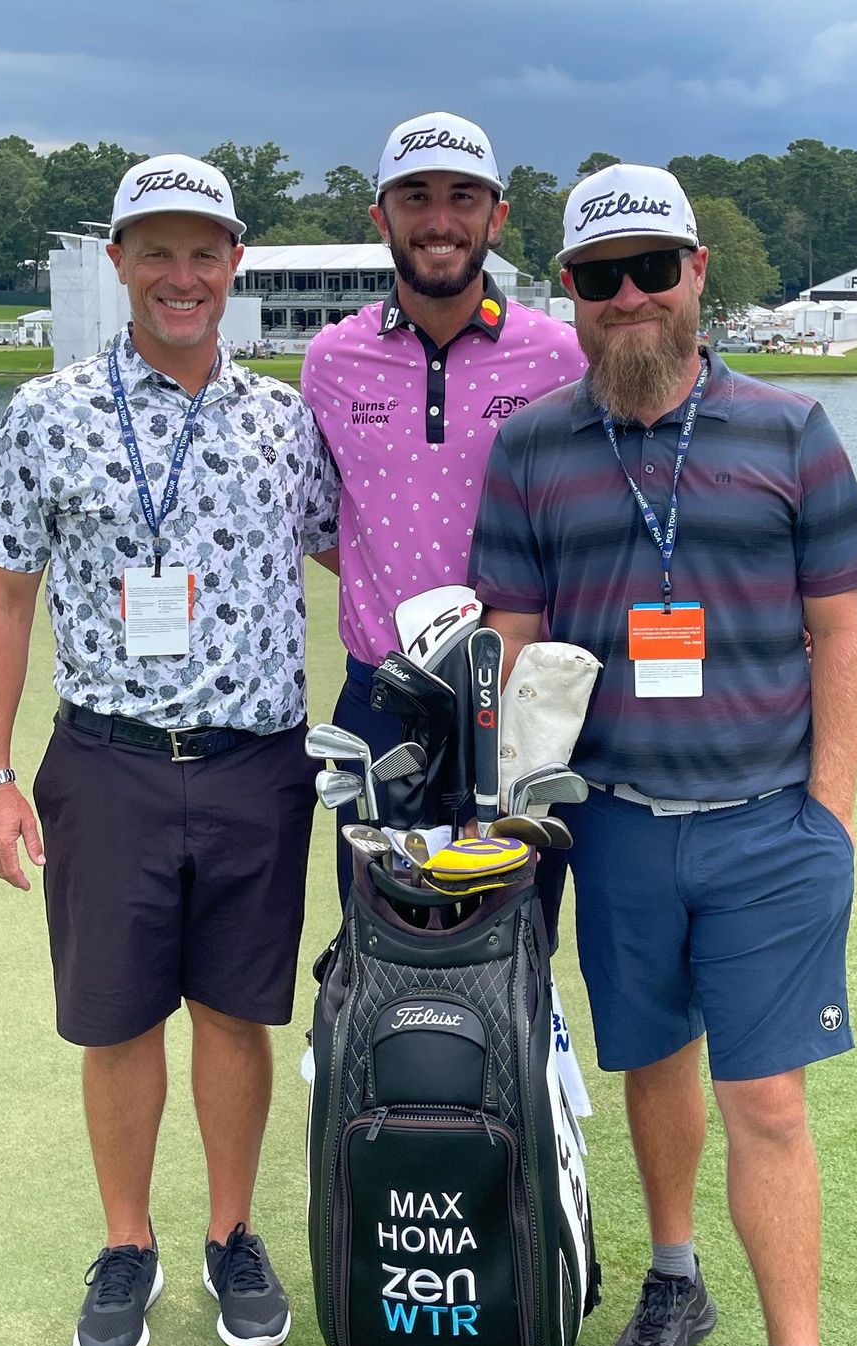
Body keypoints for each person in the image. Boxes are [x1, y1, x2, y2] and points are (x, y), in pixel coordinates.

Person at [469, 163, 857, 1346]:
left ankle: (796, 1339)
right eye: (602, 278)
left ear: (697, 271)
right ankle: (674, 1273)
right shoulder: (534, 447)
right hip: (615, 823)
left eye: (653, 268)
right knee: (653, 1064)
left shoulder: (792, 431)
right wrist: (503, 803)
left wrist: (831, 814)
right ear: (570, 290)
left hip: (767, 823)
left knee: (767, 1099)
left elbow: (842, 633)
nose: (630, 297)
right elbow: (511, 641)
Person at [0, 153, 339, 1346]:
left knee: (234, 1014)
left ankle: (232, 1234)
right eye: (157, 252)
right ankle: (129, 1242)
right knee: (118, 1020)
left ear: (236, 264)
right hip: (108, 761)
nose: (183, 276)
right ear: (119, 261)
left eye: (204, 253)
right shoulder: (50, 411)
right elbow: (3, 596)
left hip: (255, 765)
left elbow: (353, 552)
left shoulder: (283, 419)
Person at [301, 110, 586, 900]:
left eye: (463, 197)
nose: (439, 220)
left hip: (518, 702)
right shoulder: (331, 360)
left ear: (497, 216)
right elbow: (325, 522)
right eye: (415, 197)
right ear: (380, 218)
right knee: (380, 937)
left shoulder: (560, 355)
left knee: (511, 936)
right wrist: (391, 584)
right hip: (381, 699)